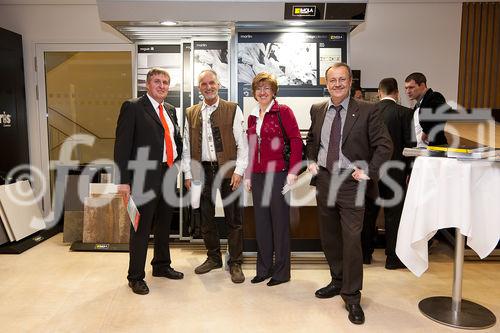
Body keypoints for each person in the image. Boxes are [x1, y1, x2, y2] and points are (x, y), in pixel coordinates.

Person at [305, 62, 392, 325]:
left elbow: (384, 145)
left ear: (351, 81)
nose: (337, 84)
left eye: (342, 79)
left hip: (352, 183)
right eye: (333, 80)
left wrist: (370, 171)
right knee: (329, 237)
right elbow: (312, 140)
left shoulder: (368, 110)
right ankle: (337, 280)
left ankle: (352, 296)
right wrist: (310, 159)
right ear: (326, 83)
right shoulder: (318, 109)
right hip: (325, 179)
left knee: (351, 239)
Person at [114, 68, 184, 296]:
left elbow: (175, 140)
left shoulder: (171, 110)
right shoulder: (133, 107)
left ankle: (161, 266)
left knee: (164, 224)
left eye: (165, 82)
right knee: (141, 229)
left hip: (167, 175)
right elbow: (122, 147)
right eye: (157, 81)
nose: (162, 85)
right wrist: (123, 181)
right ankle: (135, 277)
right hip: (143, 176)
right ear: (147, 84)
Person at [182, 69, 248, 284]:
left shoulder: (232, 109)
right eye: (203, 84)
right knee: (206, 217)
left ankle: (235, 262)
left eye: (212, 83)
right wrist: (188, 173)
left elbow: (243, 144)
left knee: (234, 219)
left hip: (229, 171)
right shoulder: (190, 112)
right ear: (199, 87)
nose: (208, 87)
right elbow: (185, 146)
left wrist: (239, 170)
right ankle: (213, 257)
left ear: (219, 85)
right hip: (202, 171)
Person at [244, 72, 302, 286]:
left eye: (266, 88)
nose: (262, 92)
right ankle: (264, 269)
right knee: (262, 224)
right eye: (259, 88)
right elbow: (251, 148)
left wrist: (293, 171)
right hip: (258, 177)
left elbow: (296, 141)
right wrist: (249, 174)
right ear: (254, 92)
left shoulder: (283, 111)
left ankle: (281, 272)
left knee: (280, 225)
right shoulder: (252, 115)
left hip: (278, 175)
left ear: (274, 91)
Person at [361, 78, 413, 269]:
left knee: (368, 213)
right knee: (394, 215)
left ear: (379, 92)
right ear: (397, 93)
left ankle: (365, 255)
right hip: (396, 171)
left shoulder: (369, 111)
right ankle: (392, 259)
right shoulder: (406, 113)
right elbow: (410, 145)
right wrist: (409, 171)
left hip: (372, 171)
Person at [404, 72, 449, 147]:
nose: (408, 91)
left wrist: (427, 131)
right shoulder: (417, 105)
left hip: (435, 149)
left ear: (422, 85)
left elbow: (444, 113)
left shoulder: (434, 96)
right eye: (406, 88)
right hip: (420, 151)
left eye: (411, 87)